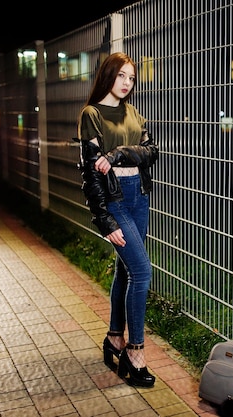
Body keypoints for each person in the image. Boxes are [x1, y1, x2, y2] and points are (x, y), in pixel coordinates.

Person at [76, 52, 159, 387]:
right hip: (116, 201)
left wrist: (119, 153)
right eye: (121, 75)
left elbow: (152, 152)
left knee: (126, 271)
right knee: (142, 273)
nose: (127, 83)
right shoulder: (91, 114)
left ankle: (114, 338)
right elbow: (90, 174)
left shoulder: (134, 113)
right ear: (108, 75)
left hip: (139, 196)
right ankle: (135, 351)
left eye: (132, 78)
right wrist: (105, 221)